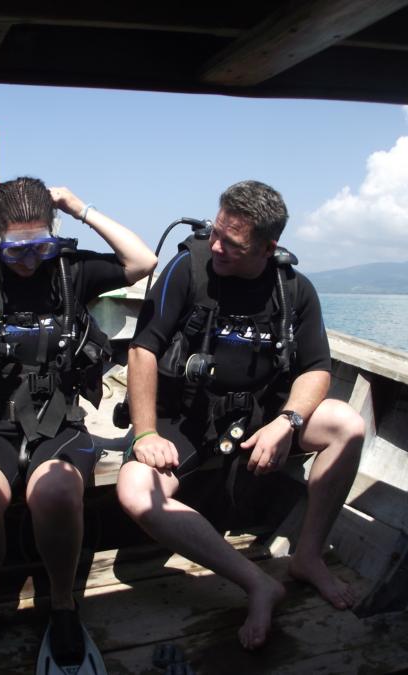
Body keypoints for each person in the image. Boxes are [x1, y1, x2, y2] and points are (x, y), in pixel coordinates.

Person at [0, 177, 156, 674]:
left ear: (52, 233)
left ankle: (61, 604)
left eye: (39, 244)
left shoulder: (67, 270)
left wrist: (80, 207)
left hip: (59, 420)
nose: (27, 259)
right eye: (15, 247)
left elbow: (142, 262)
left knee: (56, 494)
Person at [116, 180, 364, 650]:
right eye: (215, 232)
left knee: (346, 425)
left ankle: (307, 557)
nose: (217, 247)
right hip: (185, 418)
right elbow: (142, 349)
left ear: (268, 248)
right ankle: (257, 582)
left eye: (232, 244)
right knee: (134, 492)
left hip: (260, 413)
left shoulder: (293, 288)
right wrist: (145, 431)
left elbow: (317, 369)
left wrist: (286, 423)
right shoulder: (188, 268)